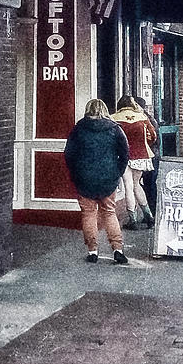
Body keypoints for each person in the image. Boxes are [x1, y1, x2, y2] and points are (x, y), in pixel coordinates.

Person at [64, 99, 130, 265]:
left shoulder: (78, 129)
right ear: (105, 109)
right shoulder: (115, 129)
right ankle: (118, 249)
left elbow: (69, 154)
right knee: (109, 212)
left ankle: (93, 251)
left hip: (84, 178)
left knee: (88, 213)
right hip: (108, 177)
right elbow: (125, 154)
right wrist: (117, 172)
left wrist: (76, 173)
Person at [111, 94, 157, 230]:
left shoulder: (113, 118)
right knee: (137, 184)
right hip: (141, 154)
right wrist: (144, 144)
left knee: (128, 186)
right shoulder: (142, 117)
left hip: (123, 155)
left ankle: (133, 219)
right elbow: (152, 136)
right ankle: (149, 216)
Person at [135, 95, 160, 213]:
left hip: (150, 156)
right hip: (147, 155)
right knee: (145, 183)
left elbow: (153, 138)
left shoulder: (147, 119)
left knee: (149, 183)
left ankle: (152, 211)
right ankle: (150, 212)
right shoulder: (144, 118)